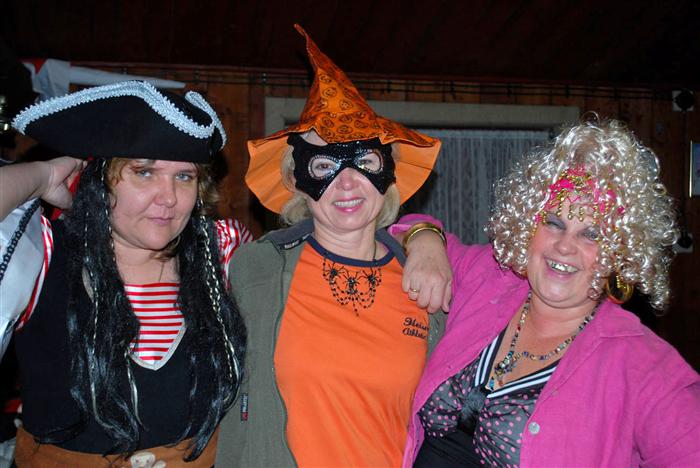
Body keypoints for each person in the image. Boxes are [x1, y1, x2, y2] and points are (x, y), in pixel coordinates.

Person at [394, 117, 700, 467]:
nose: (564, 246)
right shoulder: (489, 278)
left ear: (621, 252)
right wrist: (425, 238)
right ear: (528, 225)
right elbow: (398, 230)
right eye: (554, 223)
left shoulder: (645, 365)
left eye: (592, 235)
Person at [216, 25, 450, 467]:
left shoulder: (428, 280)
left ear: (389, 176)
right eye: (324, 166)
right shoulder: (255, 269)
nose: (347, 182)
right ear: (297, 182)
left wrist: (426, 235)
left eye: (365, 162)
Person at [0, 81, 250, 466]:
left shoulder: (223, 251)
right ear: (101, 179)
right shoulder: (43, 255)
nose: (168, 197)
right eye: (144, 172)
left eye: (184, 177)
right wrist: (43, 175)